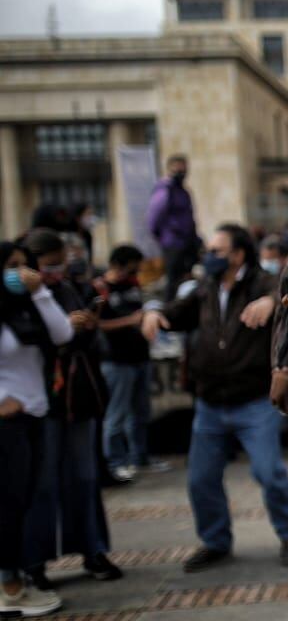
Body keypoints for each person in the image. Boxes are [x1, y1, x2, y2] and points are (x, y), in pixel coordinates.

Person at [141, 224, 288, 573]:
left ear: (238, 254)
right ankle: (215, 541)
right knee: (200, 478)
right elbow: (174, 311)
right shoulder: (204, 288)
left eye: (217, 251)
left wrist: (270, 303)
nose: (210, 257)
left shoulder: (261, 283)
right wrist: (155, 314)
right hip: (210, 403)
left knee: (268, 472)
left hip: (254, 401)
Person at [19, 229, 122, 590]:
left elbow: (86, 340)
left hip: (77, 396)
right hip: (39, 398)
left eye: (61, 263)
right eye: (50, 266)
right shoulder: (19, 297)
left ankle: (91, 548)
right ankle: (34, 561)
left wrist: (86, 326)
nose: (58, 271)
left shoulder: (66, 289)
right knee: (41, 483)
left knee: (84, 476)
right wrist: (62, 329)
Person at [1, 241, 73, 618]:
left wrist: (41, 292)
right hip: (7, 419)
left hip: (35, 412)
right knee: (8, 503)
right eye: (11, 266)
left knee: (24, 499)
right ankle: (9, 586)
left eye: (24, 265)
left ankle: (14, 581)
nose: (20, 272)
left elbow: (62, 334)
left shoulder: (28, 304)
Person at [95, 244, 168, 482]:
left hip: (140, 357)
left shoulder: (133, 284)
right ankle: (115, 461)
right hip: (116, 360)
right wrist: (130, 321)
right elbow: (97, 324)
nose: (135, 272)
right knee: (116, 414)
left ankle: (140, 456)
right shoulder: (101, 288)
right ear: (118, 265)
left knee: (141, 412)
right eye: (131, 267)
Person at [147, 155, 200, 300]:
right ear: (170, 168)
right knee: (173, 279)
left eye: (183, 168)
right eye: (177, 168)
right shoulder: (165, 189)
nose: (181, 171)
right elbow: (155, 215)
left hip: (186, 241)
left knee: (187, 277)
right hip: (172, 242)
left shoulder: (183, 191)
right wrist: (162, 235)